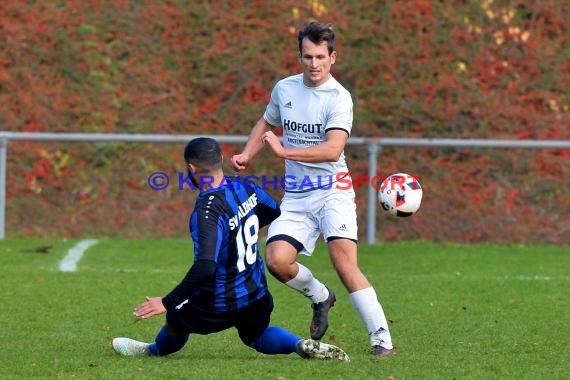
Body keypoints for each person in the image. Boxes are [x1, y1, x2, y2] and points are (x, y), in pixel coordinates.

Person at [230, 21, 394, 356]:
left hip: (334, 190)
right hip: (296, 195)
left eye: (321, 56)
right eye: (308, 56)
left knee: (344, 262)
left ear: (333, 57)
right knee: (276, 259)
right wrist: (248, 152)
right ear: (300, 56)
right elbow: (266, 122)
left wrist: (284, 151)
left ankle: (381, 340)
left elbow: (333, 149)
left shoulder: (339, 98)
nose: (314, 64)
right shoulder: (285, 89)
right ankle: (321, 296)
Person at [112, 137, 349, 362]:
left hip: (216, 302)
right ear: (222, 158)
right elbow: (273, 210)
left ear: (191, 168)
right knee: (256, 335)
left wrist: (166, 302)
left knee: (176, 319)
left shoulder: (206, 213)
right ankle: (298, 344)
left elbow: (205, 266)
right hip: (256, 295)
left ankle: (152, 350)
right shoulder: (244, 187)